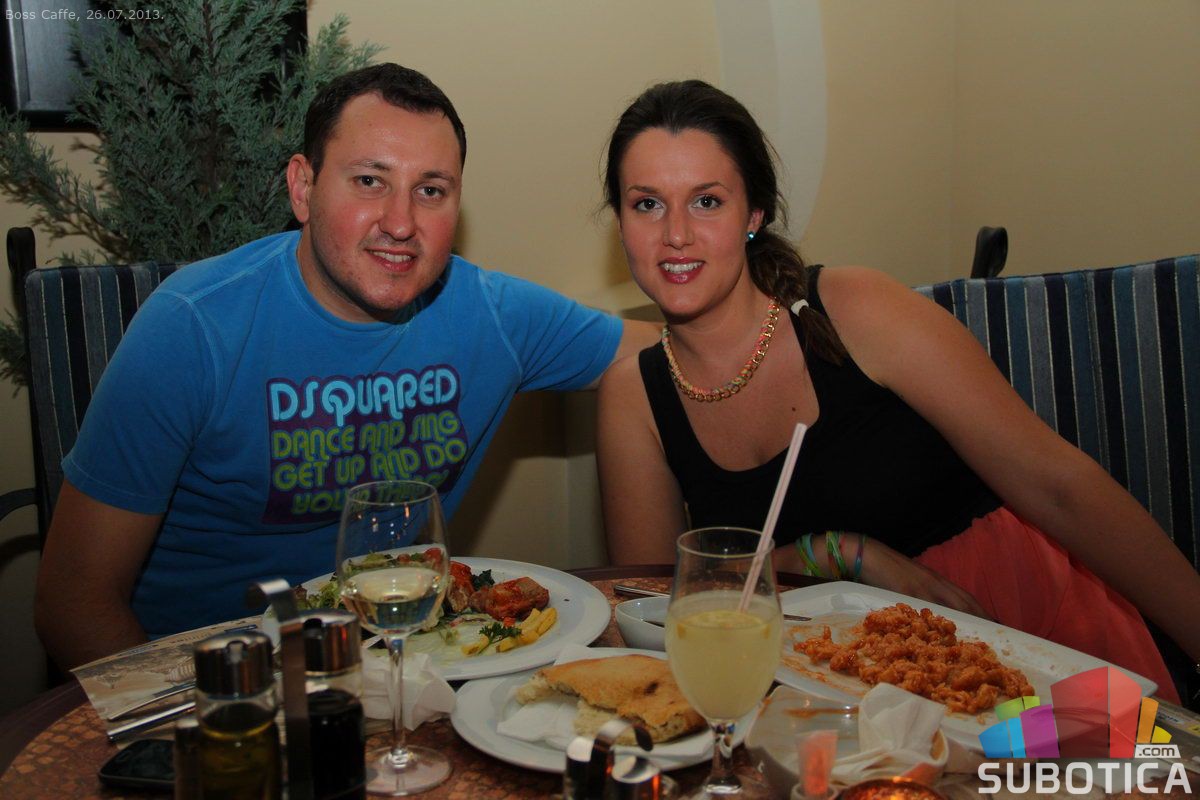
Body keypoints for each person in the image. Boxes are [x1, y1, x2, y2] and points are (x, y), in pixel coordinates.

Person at [34, 63, 657, 669]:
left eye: (431, 191)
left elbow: (674, 353)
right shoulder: (193, 327)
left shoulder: (492, 317)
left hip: (407, 662)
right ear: (303, 188)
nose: (401, 223)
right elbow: (73, 603)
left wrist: (705, 258)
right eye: (369, 180)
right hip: (214, 683)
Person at [596, 79, 1200, 700]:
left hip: (1017, 634)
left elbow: (1059, 487)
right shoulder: (632, 396)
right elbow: (658, 612)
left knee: (1112, 760)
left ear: (753, 215)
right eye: (647, 204)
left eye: (706, 201)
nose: (675, 234)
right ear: (620, 222)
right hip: (828, 689)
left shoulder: (855, 310)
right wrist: (833, 553)